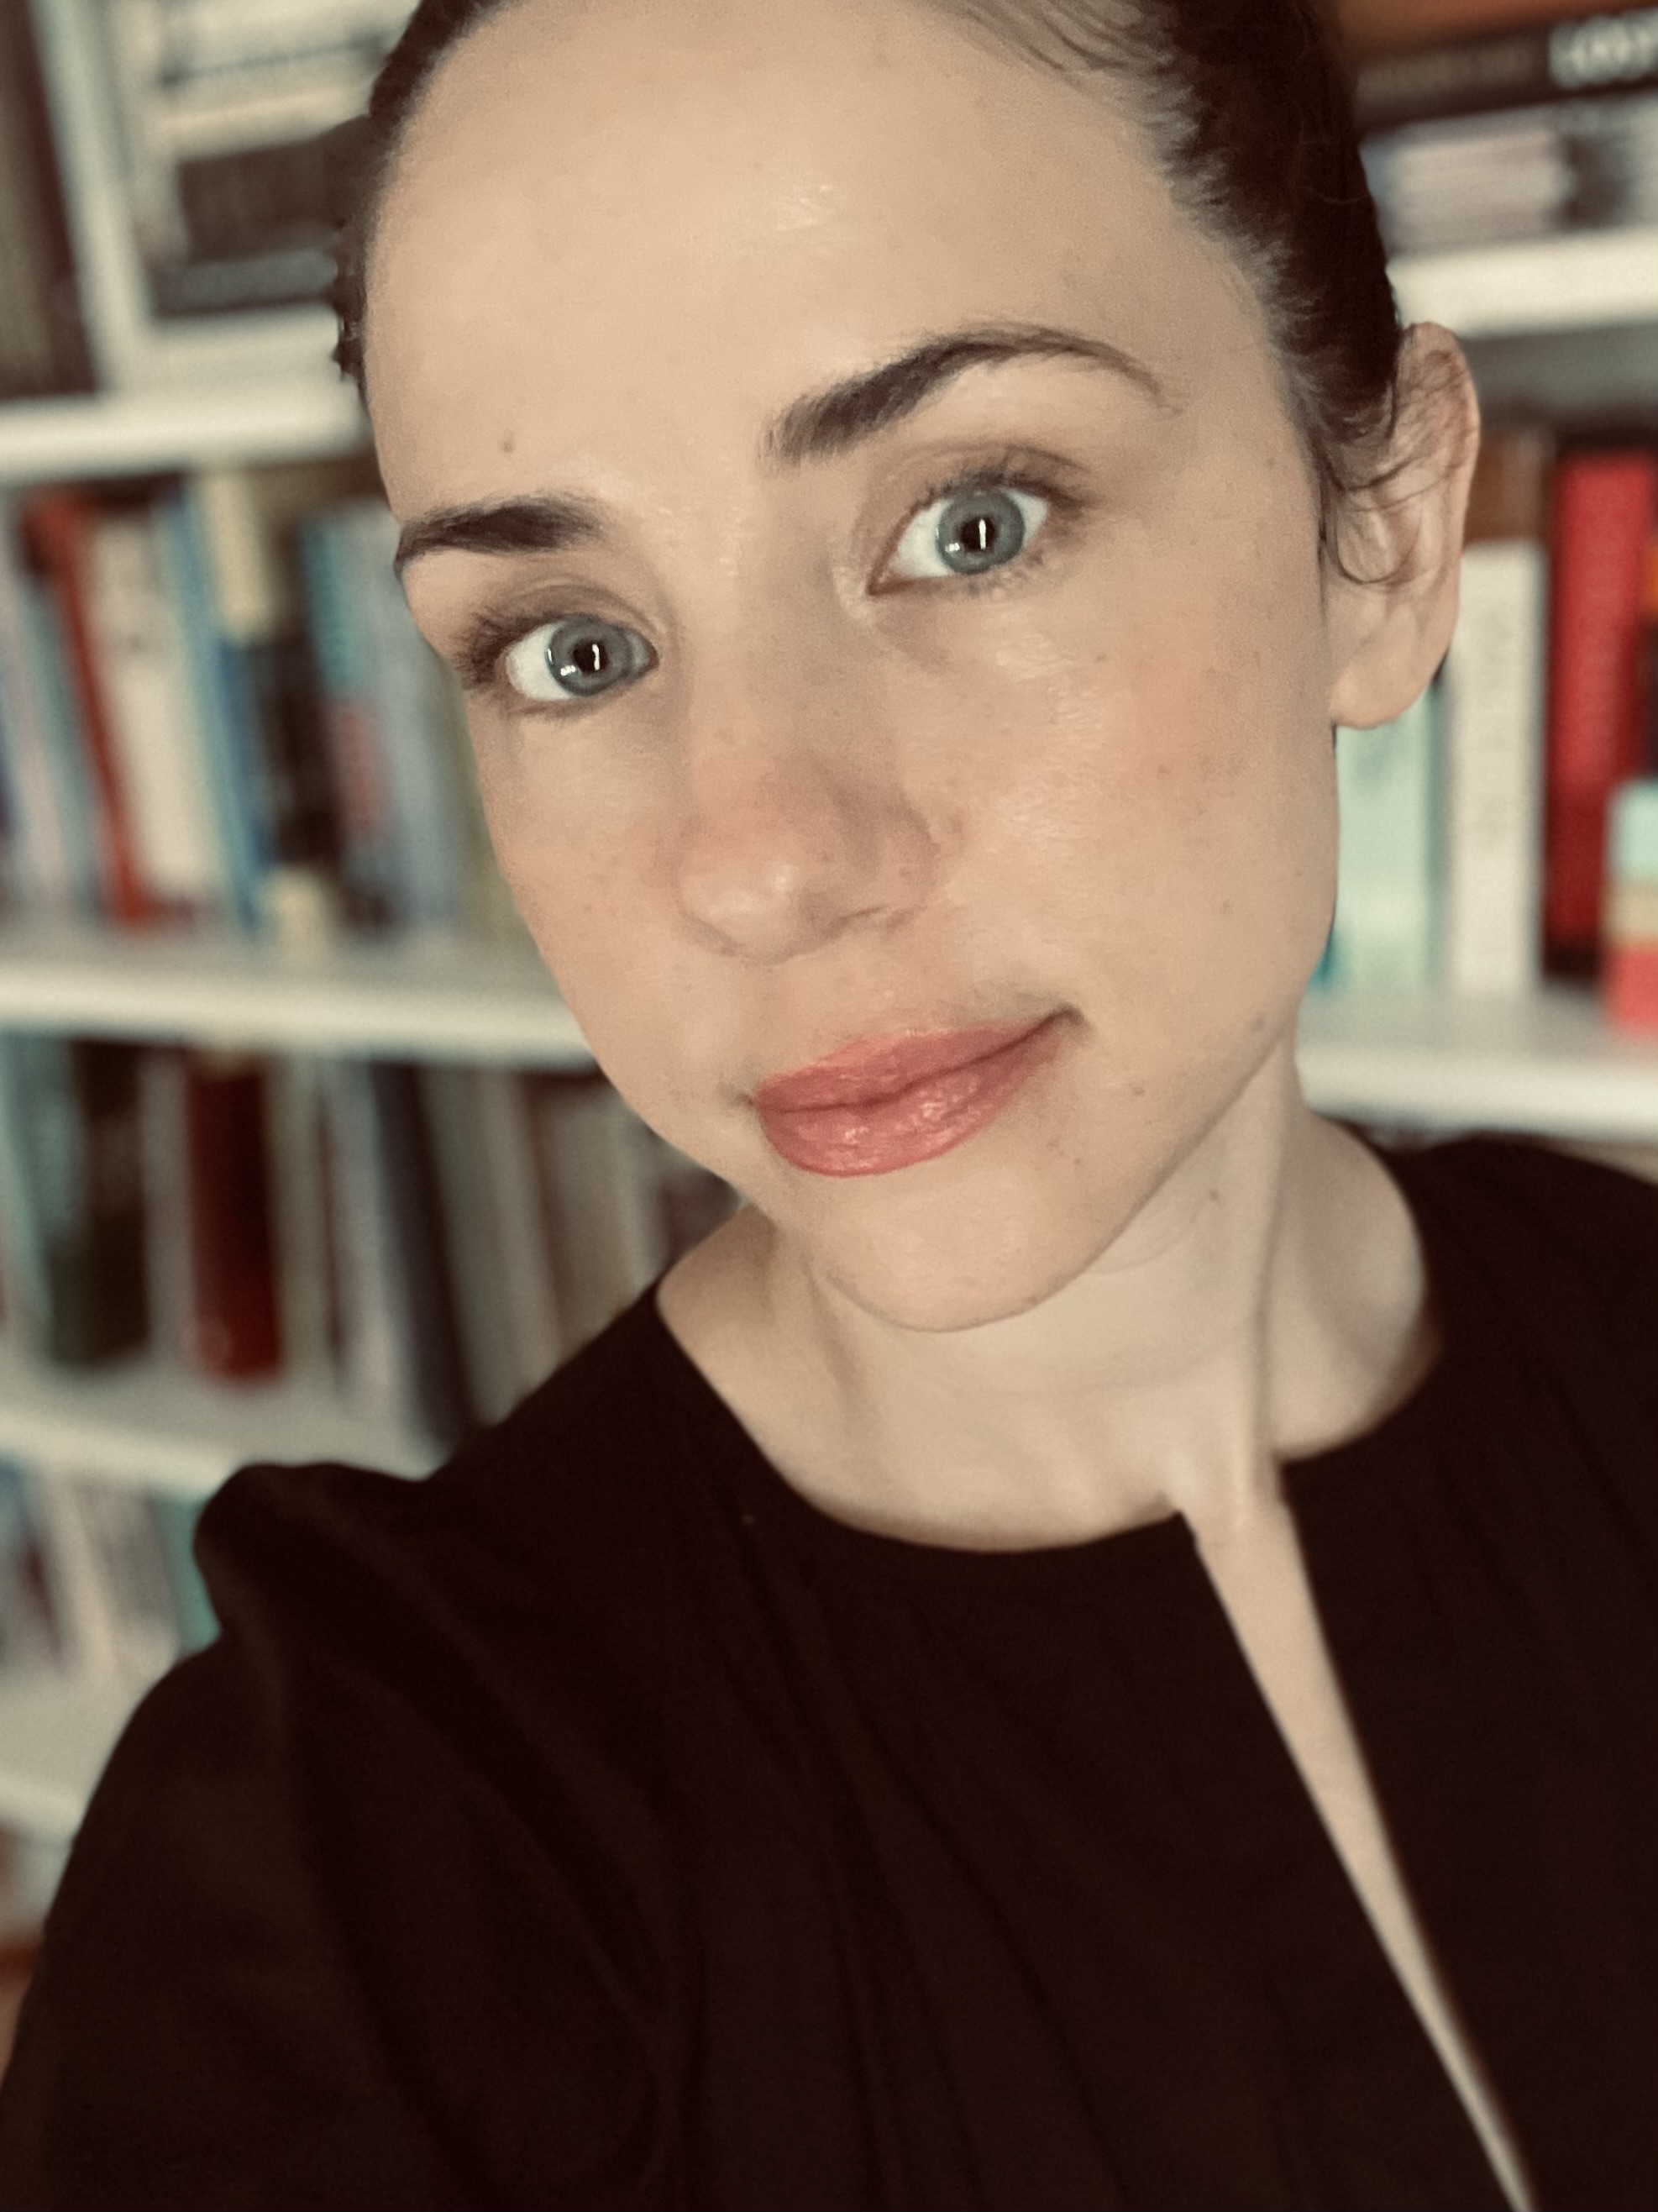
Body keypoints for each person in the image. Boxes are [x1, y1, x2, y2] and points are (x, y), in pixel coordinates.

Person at [0, 0, 1653, 2204]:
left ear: (1389, 529)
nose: (763, 860)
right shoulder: (375, 1861)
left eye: (971, 521)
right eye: (570, 647)